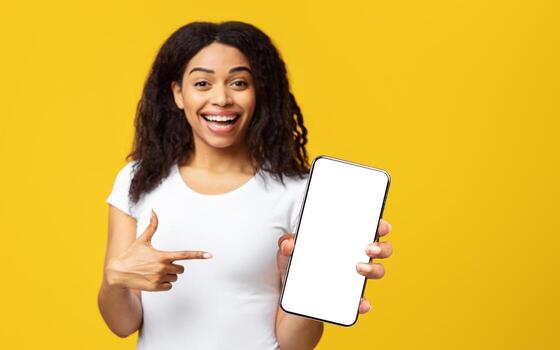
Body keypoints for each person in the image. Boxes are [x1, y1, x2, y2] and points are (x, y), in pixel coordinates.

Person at [97, 21, 394, 350]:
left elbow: (297, 344)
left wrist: (315, 293)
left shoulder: (298, 191)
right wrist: (116, 278)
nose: (221, 98)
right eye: (202, 83)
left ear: (259, 92)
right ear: (178, 94)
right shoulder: (137, 180)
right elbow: (122, 324)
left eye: (239, 82)